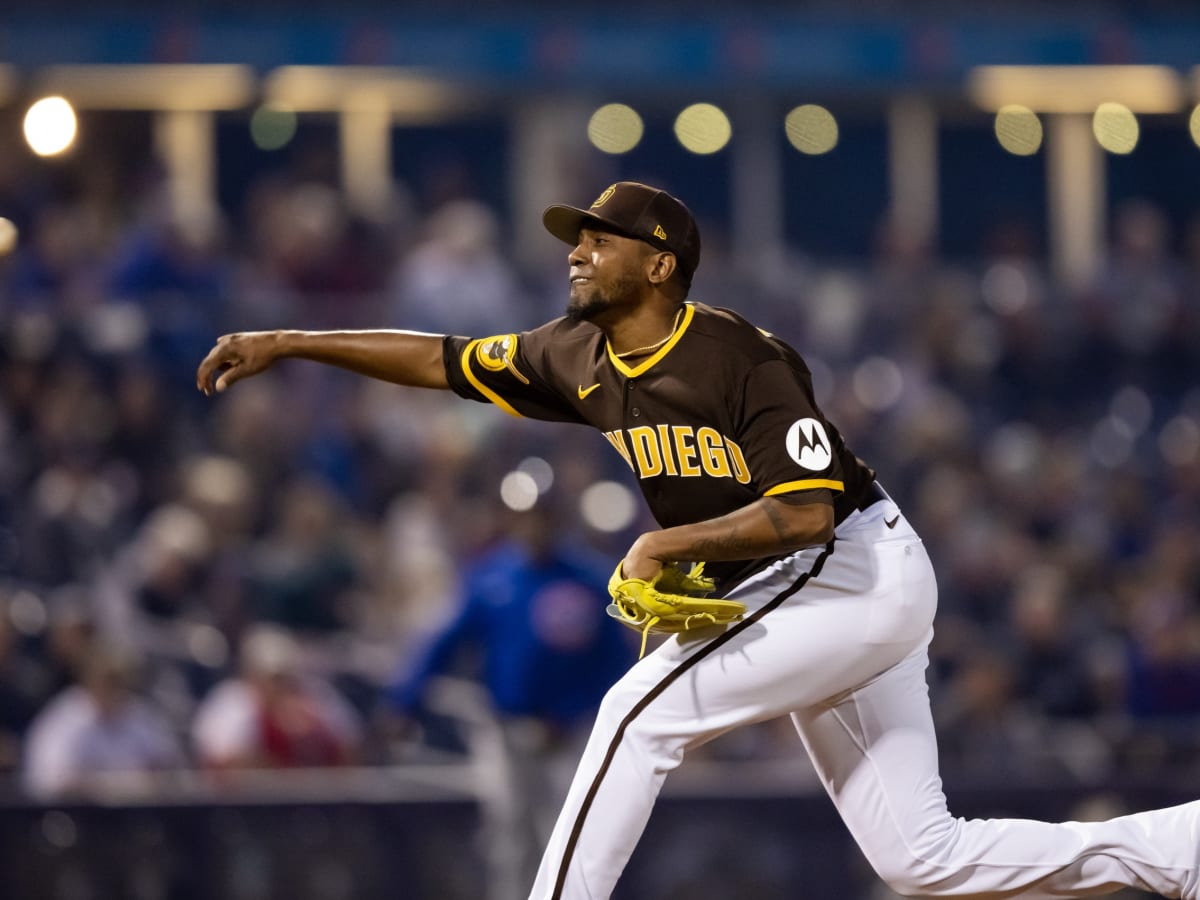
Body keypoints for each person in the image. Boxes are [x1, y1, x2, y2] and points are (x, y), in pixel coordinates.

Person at [197, 181, 1200, 900]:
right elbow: (444, 360)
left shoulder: (741, 357)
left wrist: (664, 548)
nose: (577, 249)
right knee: (919, 858)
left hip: (851, 572)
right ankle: (1172, 848)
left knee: (637, 713)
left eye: (600, 239)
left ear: (660, 263)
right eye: (575, 237)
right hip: (808, 590)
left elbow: (806, 510)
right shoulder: (573, 350)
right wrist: (291, 342)